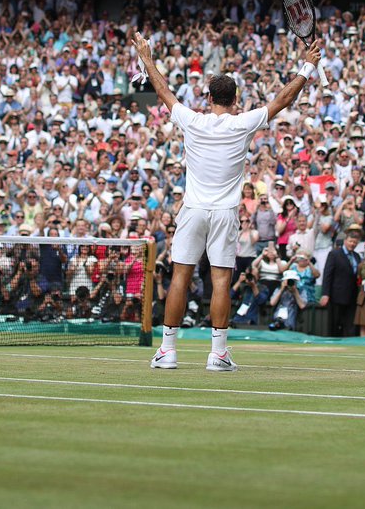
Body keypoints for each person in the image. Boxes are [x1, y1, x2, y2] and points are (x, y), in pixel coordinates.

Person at [139, 31, 324, 371]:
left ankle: (167, 351)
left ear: (208, 97)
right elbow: (283, 99)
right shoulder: (243, 122)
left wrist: (147, 59)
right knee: (221, 280)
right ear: (236, 98)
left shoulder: (191, 120)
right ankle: (218, 354)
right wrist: (307, 66)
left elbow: (163, 91)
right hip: (224, 213)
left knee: (180, 276)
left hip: (193, 211)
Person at [320, 224, 363, 337]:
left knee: (350, 324)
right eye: (350, 241)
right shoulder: (334, 254)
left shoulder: (357, 256)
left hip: (352, 296)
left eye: (355, 242)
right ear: (345, 240)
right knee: (335, 323)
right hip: (337, 295)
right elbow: (327, 275)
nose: (352, 244)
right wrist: (325, 294)